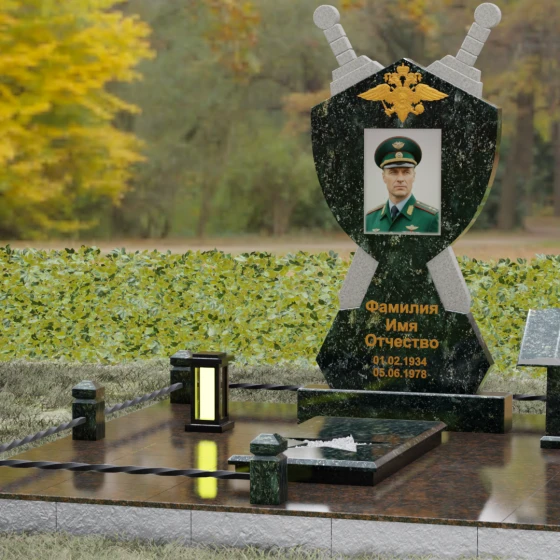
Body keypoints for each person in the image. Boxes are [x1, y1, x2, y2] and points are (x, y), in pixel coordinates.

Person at [365, 136, 439, 233]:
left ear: (413, 176)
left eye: (406, 172)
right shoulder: (369, 219)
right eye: (393, 172)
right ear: (384, 177)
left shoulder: (431, 219)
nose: (400, 179)